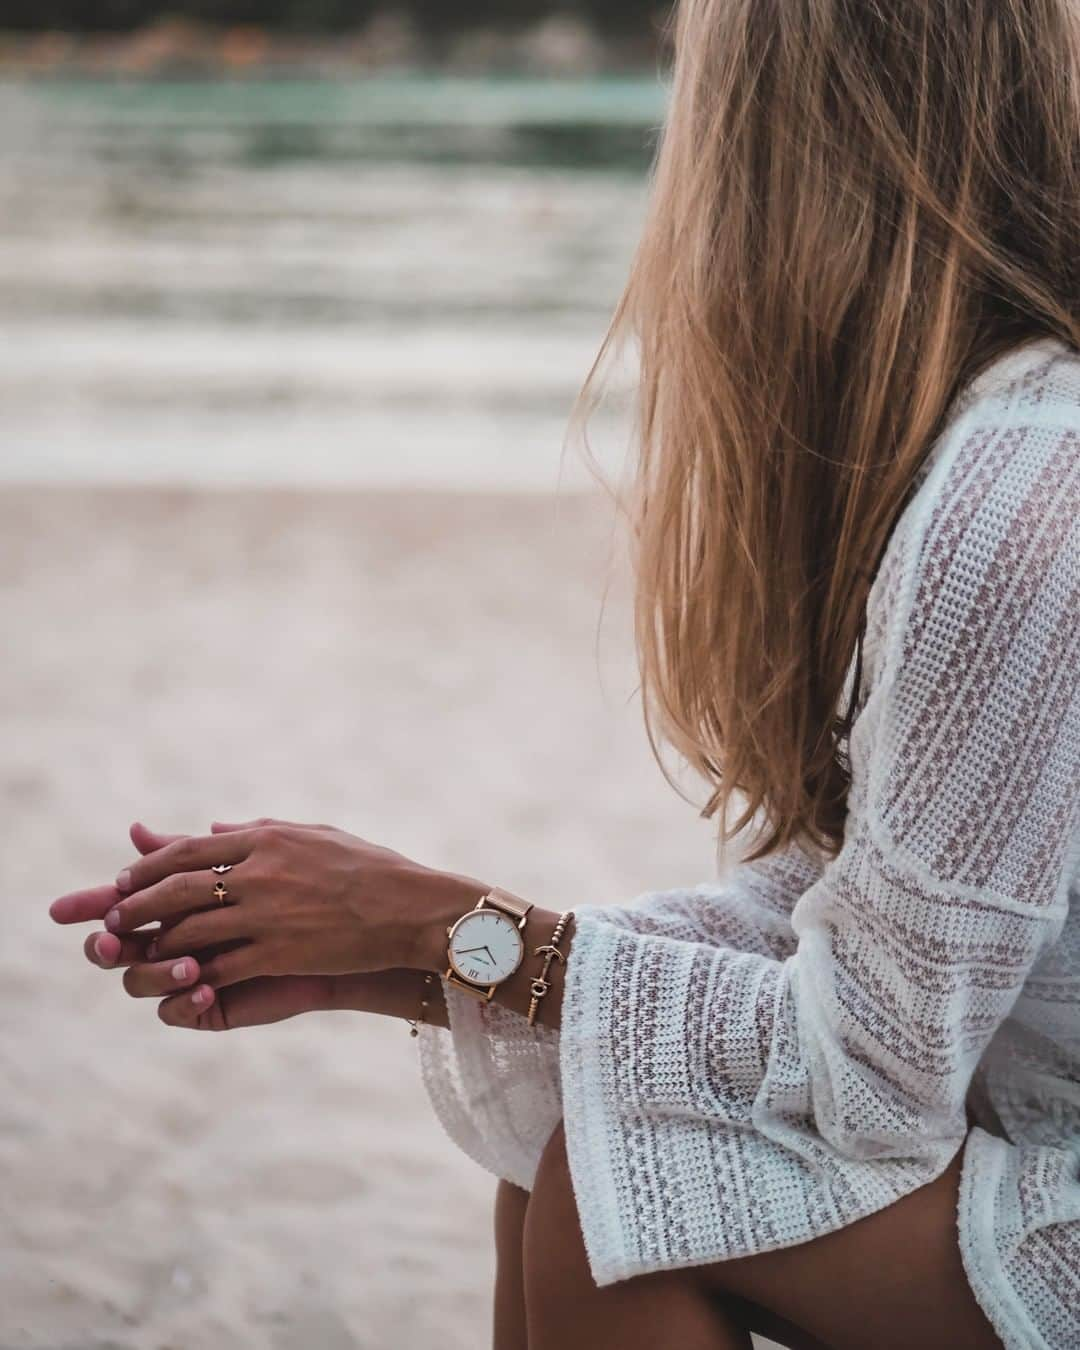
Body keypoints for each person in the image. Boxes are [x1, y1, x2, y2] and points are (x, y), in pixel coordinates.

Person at [49, 1, 1080, 1347]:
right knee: (566, 1130)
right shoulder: (1004, 441)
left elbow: (873, 1073)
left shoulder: (1020, 497)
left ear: (778, 145)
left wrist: (442, 931)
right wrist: (425, 959)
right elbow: (867, 925)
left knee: (612, 1197)